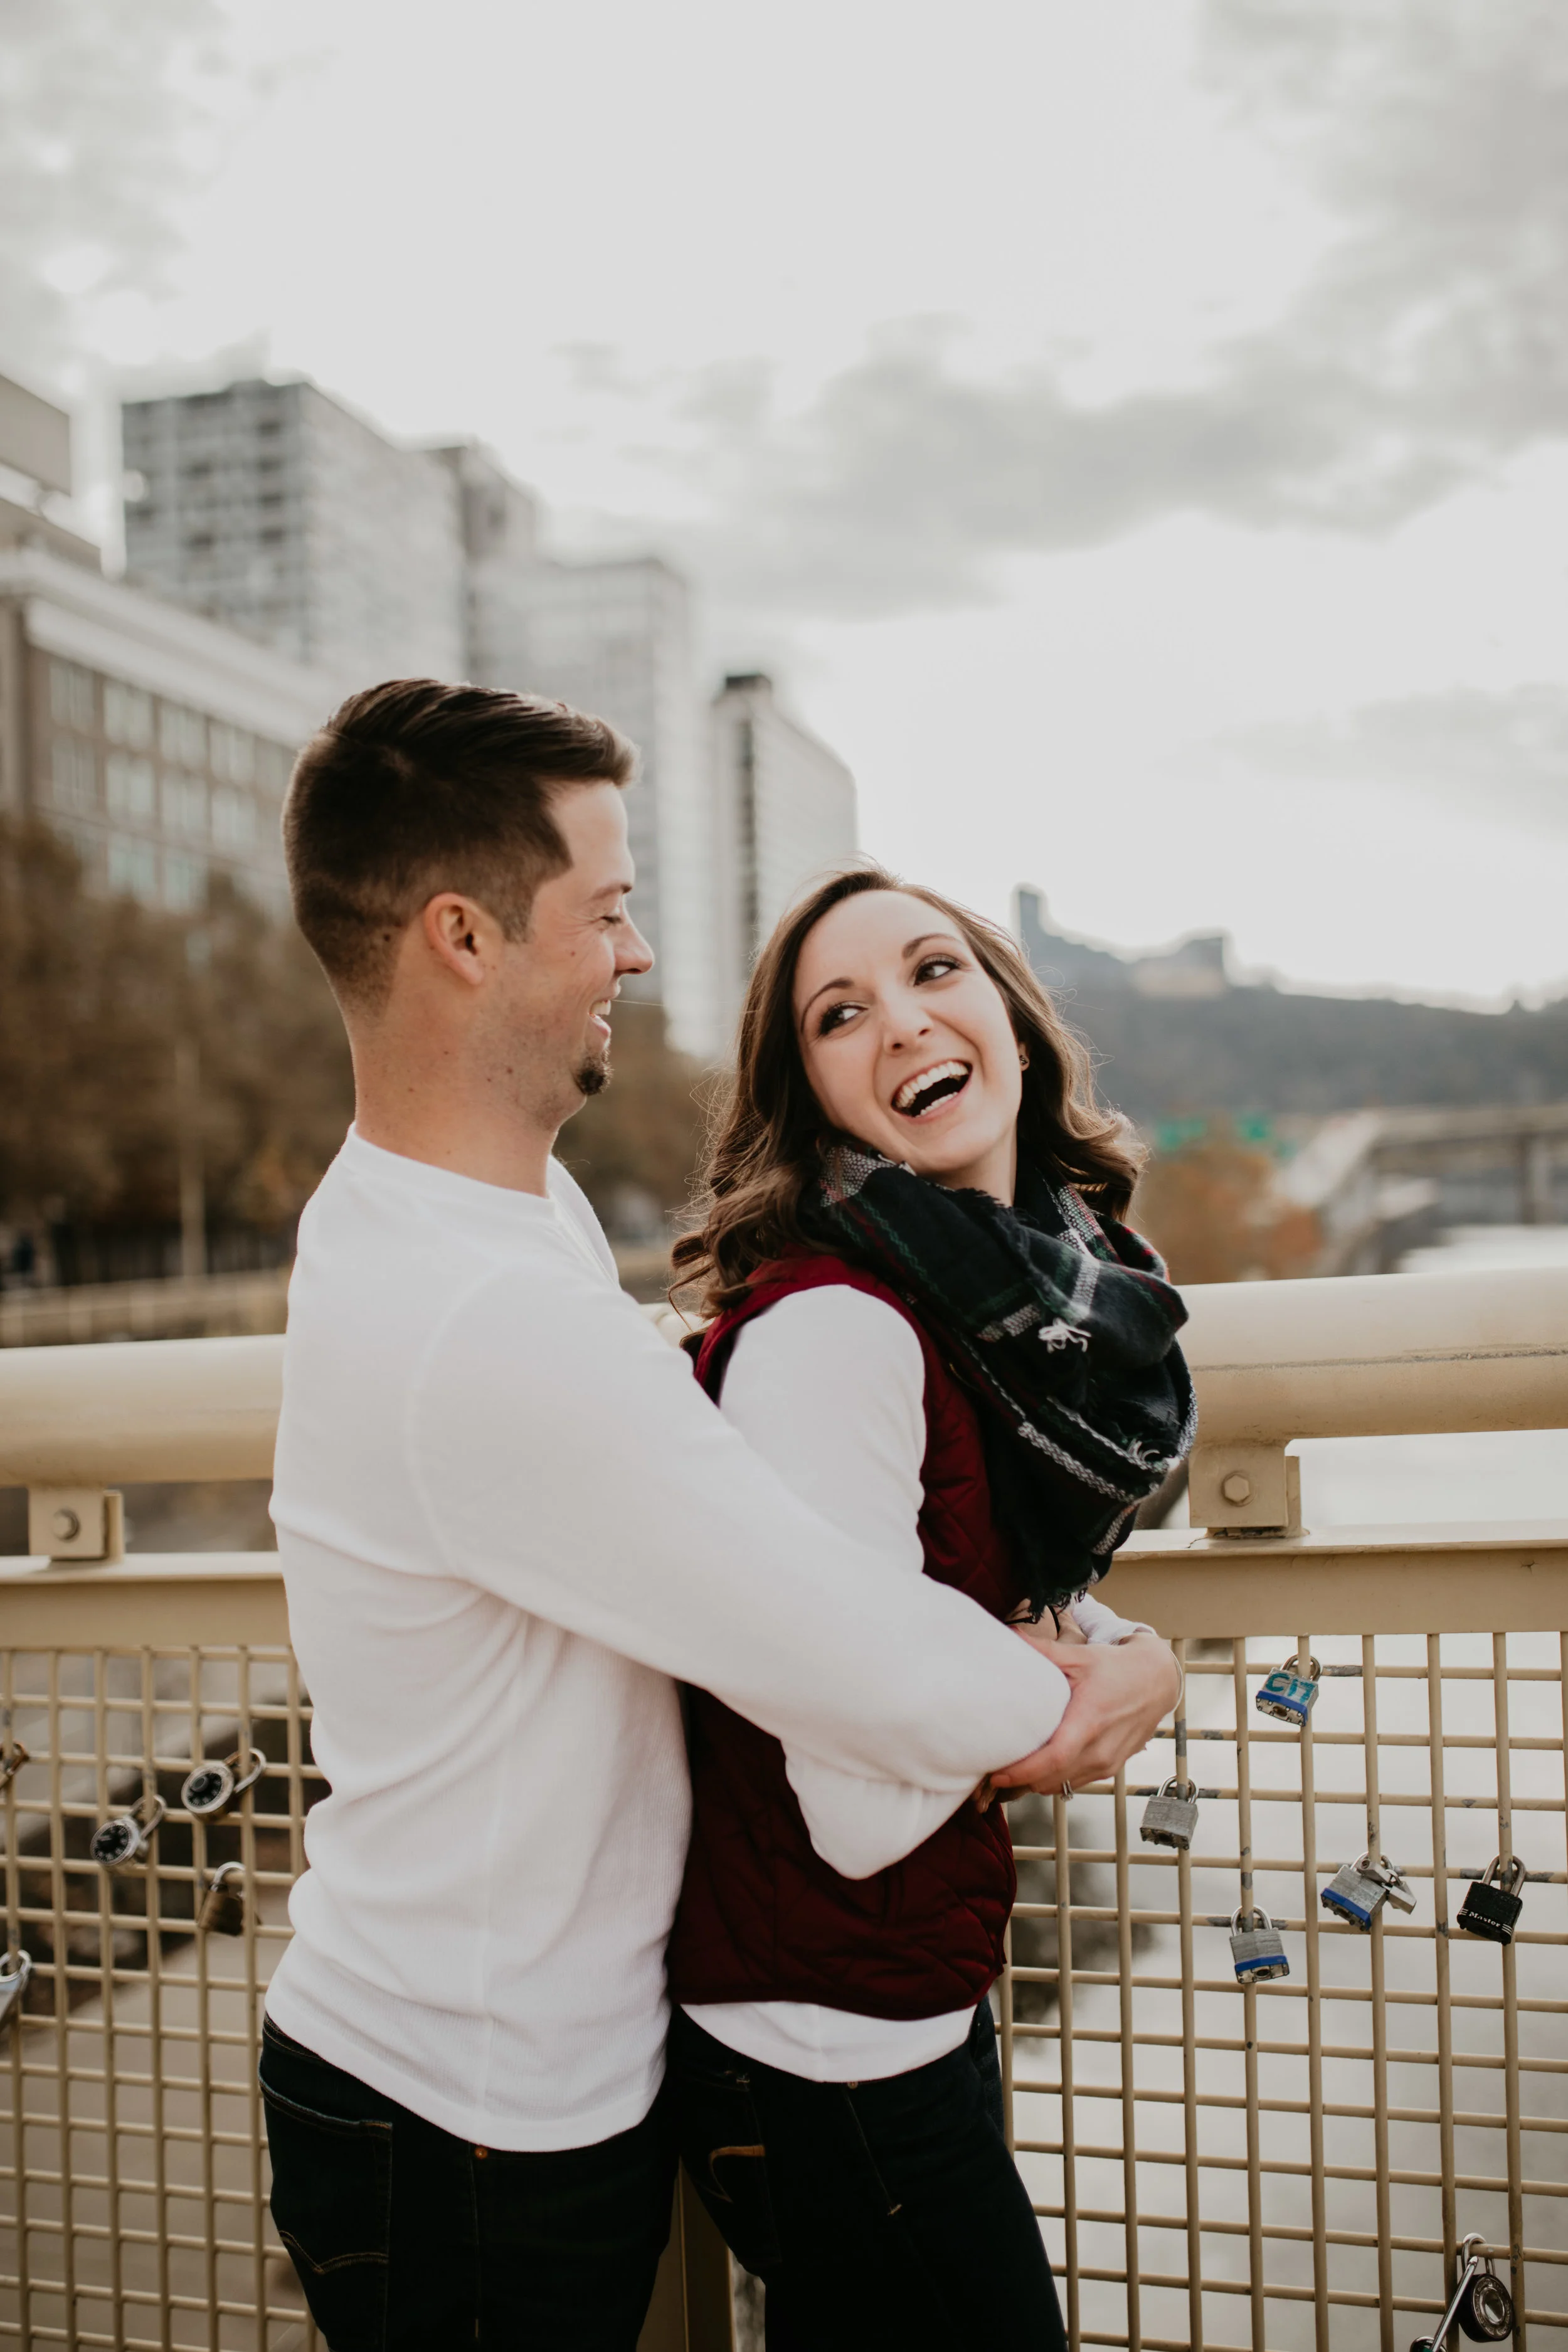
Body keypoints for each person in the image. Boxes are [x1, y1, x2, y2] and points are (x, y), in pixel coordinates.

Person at [258, 681, 1179, 2351]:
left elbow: (733, 1514)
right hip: (462, 2109)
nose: (633, 953)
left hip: (500, 2067)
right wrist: (1105, 1693)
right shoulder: (480, 1313)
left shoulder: (481, 1214)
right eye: (606, 908)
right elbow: (849, 1657)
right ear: (464, 938)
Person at [665, 866, 1193, 2350]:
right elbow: (853, 1796)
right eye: (839, 1015)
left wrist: (1119, 1653)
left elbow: (955, 1611)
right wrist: (1096, 1698)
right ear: (813, 1103)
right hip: (820, 2042)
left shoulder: (986, 1308)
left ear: (1012, 1025)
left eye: (933, 971)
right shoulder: (834, 1334)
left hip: (889, 1996)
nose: (900, 1021)